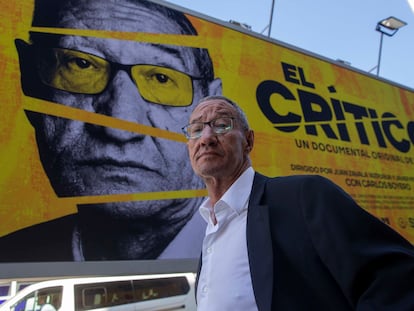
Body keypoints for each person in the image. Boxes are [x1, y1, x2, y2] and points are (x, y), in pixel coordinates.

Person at [0, 0, 221, 261]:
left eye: (162, 78)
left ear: (210, 107)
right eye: (81, 64)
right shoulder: (14, 254)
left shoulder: (258, 246)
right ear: (30, 78)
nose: (120, 126)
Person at [183, 95, 414, 310]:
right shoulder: (209, 226)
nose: (206, 138)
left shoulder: (303, 196)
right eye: (196, 129)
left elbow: (396, 278)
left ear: (249, 141)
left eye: (222, 125)